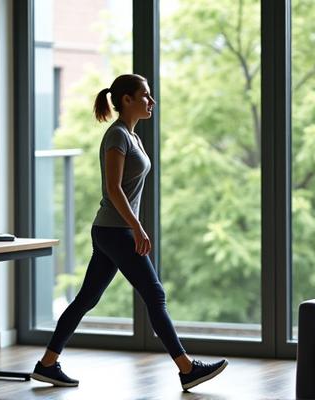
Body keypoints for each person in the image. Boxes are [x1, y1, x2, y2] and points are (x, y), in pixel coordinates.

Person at [30, 74, 228, 391]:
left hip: (111, 229)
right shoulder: (117, 136)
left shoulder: (133, 137)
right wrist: (137, 227)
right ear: (126, 100)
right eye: (145, 96)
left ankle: (48, 364)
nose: (152, 101)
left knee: (86, 299)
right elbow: (112, 187)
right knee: (155, 295)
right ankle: (187, 368)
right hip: (115, 230)